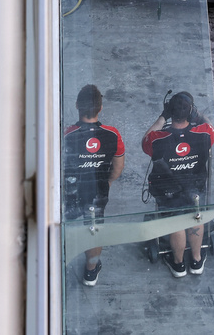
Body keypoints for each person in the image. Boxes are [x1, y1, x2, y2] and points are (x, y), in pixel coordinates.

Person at [142, 91, 214, 278]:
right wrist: (198, 115)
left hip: (168, 190)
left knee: (176, 218)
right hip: (195, 187)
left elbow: (145, 140)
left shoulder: (158, 138)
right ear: (190, 112)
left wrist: (162, 117)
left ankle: (178, 264)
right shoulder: (204, 133)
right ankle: (196, 260)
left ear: (170, 111)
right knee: (195, 215)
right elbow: (210, 126)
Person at [62, 84, 124, 287]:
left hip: (70, 191)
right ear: (101, 108)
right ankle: (91, 272)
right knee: (94, 228)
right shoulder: (113, 134)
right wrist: (107, 182)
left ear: (77, 106)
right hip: (97, 191)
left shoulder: (66, 134)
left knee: (63, 223)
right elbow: (118, 167)